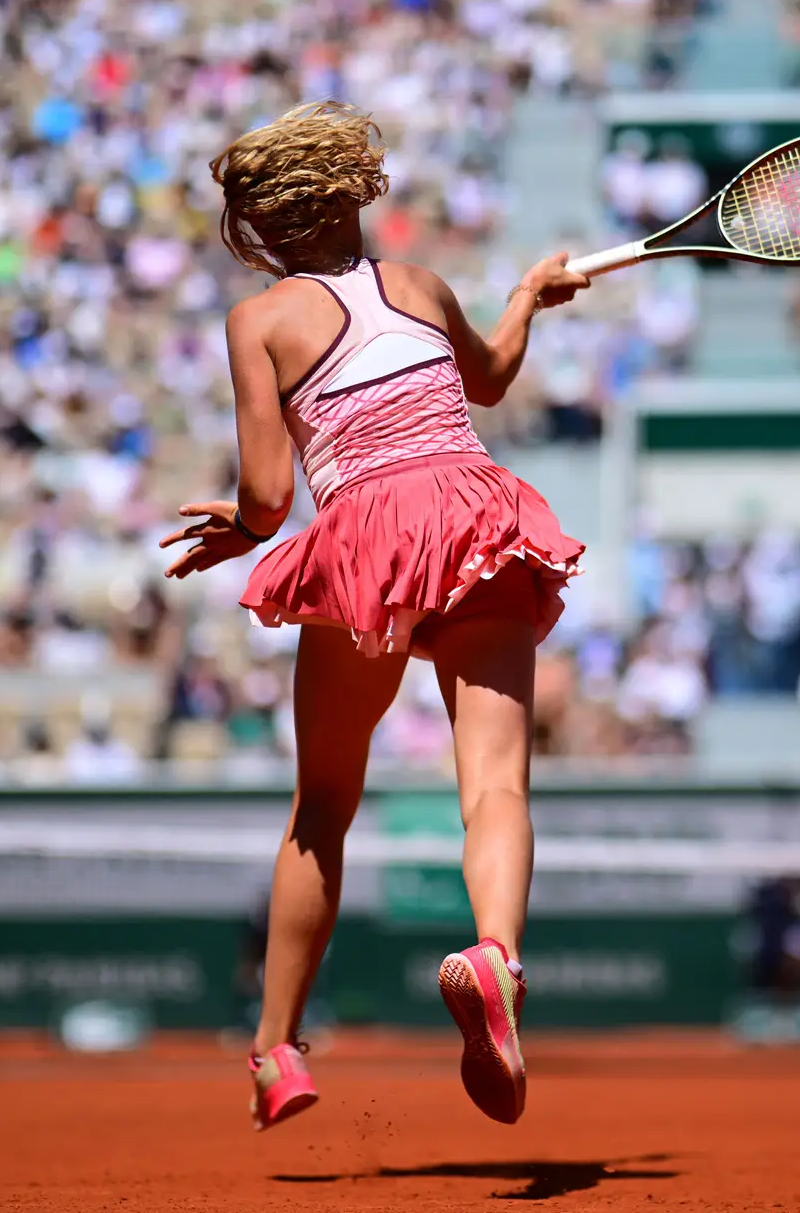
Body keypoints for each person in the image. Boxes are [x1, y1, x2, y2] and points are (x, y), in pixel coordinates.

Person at [160, 101, 589, 1131]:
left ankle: (276, 1051)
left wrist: (239, 527)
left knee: (323, 811)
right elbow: (486, 378)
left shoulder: (259, 323)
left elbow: (268, 496)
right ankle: (494, 951)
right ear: (354, 198)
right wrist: (528, 296)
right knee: (493, 782)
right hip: (473, 514)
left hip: (367, 544)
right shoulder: (422, 286)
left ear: (267, 227)